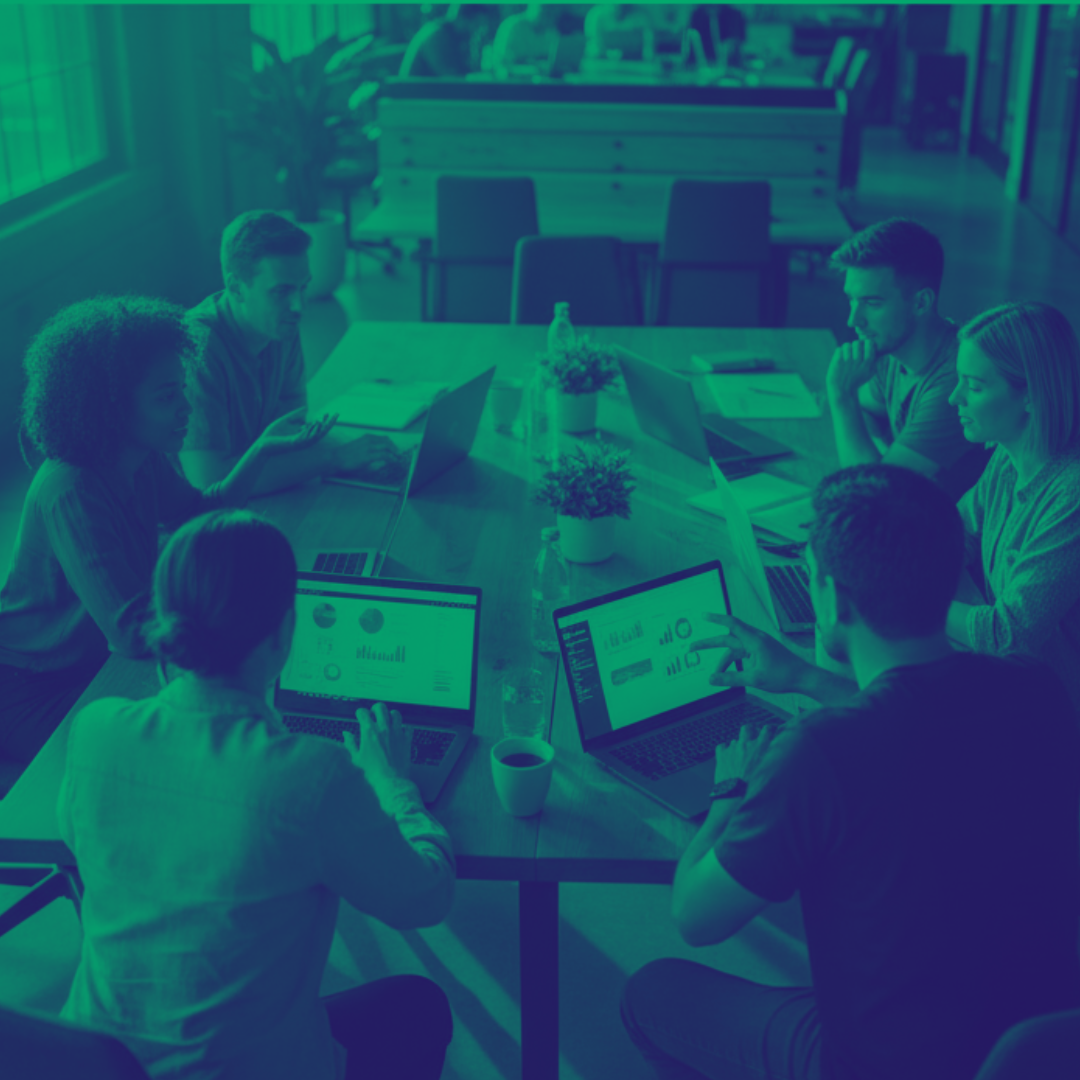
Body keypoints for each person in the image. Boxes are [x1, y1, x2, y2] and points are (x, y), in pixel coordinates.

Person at [621, 464, 1080, 1080]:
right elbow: (920, 721)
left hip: (879, 1066)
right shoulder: (1036, 687)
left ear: (832, 598)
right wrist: (803, 677)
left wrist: (729, 794)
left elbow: (694, 916)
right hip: (1042, 1049)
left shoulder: (818, 751)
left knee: (650, 993)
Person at [57, 509, 455, 1079]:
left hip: (97, 1065)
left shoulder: (96, 731)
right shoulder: (311, 775)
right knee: (419, 1007)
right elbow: (426, 897)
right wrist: (394, 783)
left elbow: (75, 834)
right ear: (285, 633)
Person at [0, 296, 331, 783]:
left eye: (182, 391)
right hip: (32, 684)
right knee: (171, 758)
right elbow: (131, 632)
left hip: (95, 662)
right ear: (112, 408)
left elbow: (198, 512)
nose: (186, 408)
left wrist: (260, 451)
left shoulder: (141, 455)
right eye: (166, 397)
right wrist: (242, 619)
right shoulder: (70, 490)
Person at [180, 210, 397, 496]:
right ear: (236, 288)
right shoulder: (199, 350)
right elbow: (209, 483)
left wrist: (345, 454)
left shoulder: (279, 325)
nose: (299, 306)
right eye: (280, 291)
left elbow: (292, 435)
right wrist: (333, 459)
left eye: (302, 287)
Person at [946, 300, 1080, 710]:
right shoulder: (1008, 457)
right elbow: (948, 533)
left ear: (1031, 395)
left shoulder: (1070, 494)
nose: (954, 398)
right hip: (1007, 681)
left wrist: (905, 599)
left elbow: (1008, 633)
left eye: (974, 386)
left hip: (1051, 713)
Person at [826, 217, 991, 501]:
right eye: (852, 300)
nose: (854, 320)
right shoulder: (891, 349)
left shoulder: (955, 382)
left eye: (872, 303)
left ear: (921, 303)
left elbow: (873, 498)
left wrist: (841, 396)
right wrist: (883, 456)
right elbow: (867, 410)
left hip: (938, 527)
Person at [399, 4, 494, 77]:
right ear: (461, 18)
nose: (477, 30)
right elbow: (450, 79)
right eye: (476, 24)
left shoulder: (454, 37)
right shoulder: (437, 36)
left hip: (432, 93)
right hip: (415, 95)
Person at [491, 3, 562, 72]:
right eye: (545, 12)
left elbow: (550, 61)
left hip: (541, 78)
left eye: (551, 13)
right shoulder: (512, 26)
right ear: (532, 8)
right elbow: (501, 64)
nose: (548, 18)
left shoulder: (551, 32)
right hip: (513, 78)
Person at [584, 4, 654, 59]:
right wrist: (607, 53)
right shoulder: (597, 16)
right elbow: (593, 49)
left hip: (637, 65)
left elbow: (649, 51)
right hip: (603, 65)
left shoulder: (642, 16)